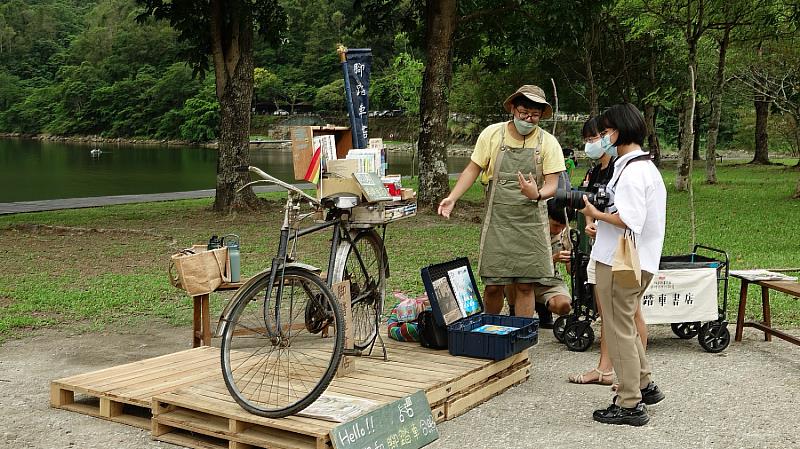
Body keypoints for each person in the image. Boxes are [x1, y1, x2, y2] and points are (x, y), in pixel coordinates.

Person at [438, 85, 566, 319]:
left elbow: (552, 184)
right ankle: (491, 331)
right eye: (523, 112)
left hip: (530, 224)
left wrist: (536, 194)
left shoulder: (548, 143)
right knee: (494, 283)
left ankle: (521, 340)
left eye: (534, 115)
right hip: (498, 221)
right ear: (512, 109)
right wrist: (452, 198)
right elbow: (472, 169)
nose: (528, 119)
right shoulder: (492, 135)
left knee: (526, 285)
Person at [578, 103, 666, 426]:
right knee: (625, 325)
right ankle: (644, 383)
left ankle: (630, 402)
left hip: (620, 262)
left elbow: (629, 220)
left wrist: (596, 215)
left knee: (617, 329)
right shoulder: (642, 167)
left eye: (605, 131)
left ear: (619, 131)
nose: (602, 137)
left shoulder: (633, 173)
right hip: (637, 260)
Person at [568, 117, 648, 386]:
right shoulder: (596, 171)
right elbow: (589, 203)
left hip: (622, 251)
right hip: (601, 249)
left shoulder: (626, 168)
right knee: (607, 313)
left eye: (599, 136)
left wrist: (599, 217)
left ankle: (634, 378)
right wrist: (592, 221)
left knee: (628, 314)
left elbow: (628, 216)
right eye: (590, 138)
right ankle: (607, 370)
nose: (594, 143)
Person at [506, 199, 573, 319]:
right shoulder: (529, 230)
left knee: (564, 306)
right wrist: (553, 259)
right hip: (525, 277)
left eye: (562, 227)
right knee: (511, 276)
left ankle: (542, 305)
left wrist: (570, 260)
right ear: (545, 216)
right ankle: (513, 311)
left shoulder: (567, 234)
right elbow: (520, 264)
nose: (558, 230)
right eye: (555, 225)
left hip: (549, 280)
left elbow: (570, 271)